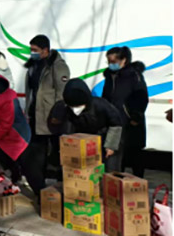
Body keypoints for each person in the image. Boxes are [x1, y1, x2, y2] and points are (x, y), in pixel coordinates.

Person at [48, 78, 124, 172]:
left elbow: (116, 124)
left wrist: (110, 146)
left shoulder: (101, 105)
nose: (75, 110)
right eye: (72, 106)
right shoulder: (66, 109)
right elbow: (67, 129)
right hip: (85, 142)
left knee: (109, 169)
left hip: (106, 138)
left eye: (79, 106)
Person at [23, 34, 70, 187]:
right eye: (31, 49)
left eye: (35, 50)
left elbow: (62, 93)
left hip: (51, 116)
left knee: (57, 150)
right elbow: (31, 91)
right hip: (36, 115)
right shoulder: (32, 66)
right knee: (37, 152)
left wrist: (57, 114)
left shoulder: (57, 66)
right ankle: (39, 184)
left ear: (45, 50)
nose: (32, 53)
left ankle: (62, 183)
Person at [101, 46, 149, 177]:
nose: (111, 64)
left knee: (134, 155)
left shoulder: (134, 75)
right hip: (114, 121)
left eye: (113, 61)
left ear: (124, 60)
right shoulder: (110, 76)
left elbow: (142, 98)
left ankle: (138, 182)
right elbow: (106, 97)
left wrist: (135, 116)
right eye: (108, 61)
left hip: (130, 122)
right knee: (115, 155)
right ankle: (116, 181)